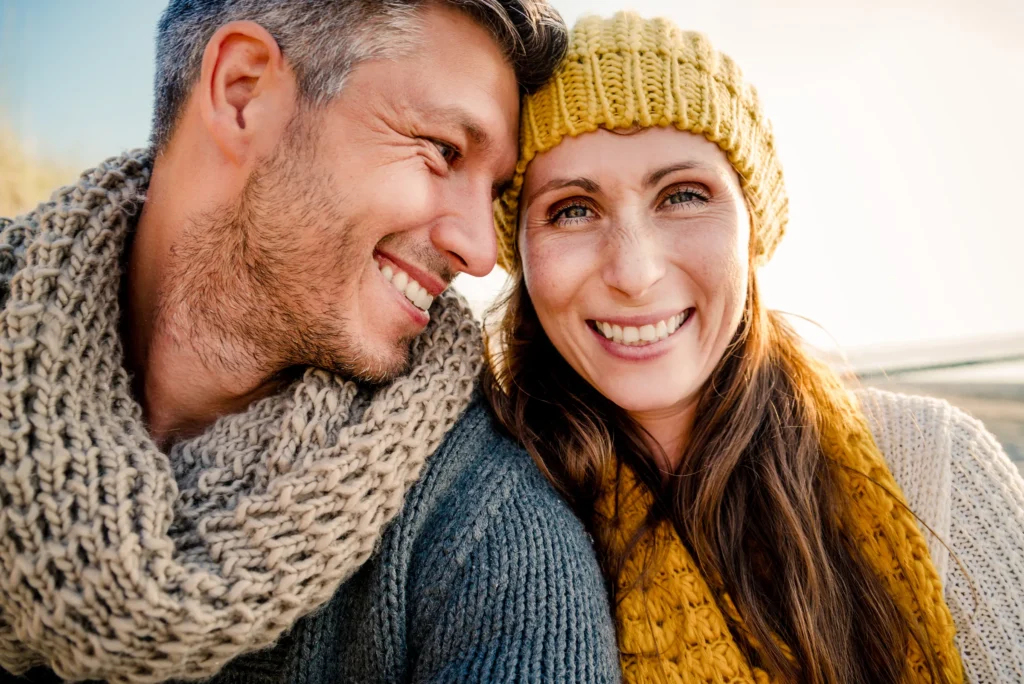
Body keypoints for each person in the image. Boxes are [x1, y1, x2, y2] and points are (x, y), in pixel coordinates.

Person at [0, 2, 620, 682]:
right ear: (243, 93)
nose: (479, 251)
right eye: (443, 151)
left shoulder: (492, 542)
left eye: (495, 189)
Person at [485, 12, 1024, 683]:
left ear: (752, 226)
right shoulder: (473, 524)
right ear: (521, 254)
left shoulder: (939, 471)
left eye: (682, 196)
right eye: (572, 209)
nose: (634, 272)